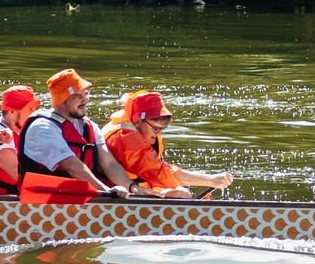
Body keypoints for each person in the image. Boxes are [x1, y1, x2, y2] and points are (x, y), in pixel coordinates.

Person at [16, 68, 134, 198]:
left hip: (79, 202)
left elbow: (109, 164)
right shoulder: (42, 128)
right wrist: (106, 191)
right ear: (61, 99)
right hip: (43, 204)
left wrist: (133, 188)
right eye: (77, 96)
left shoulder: (89, 126)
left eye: (86, 94)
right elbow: (71, 165)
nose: (85, 101)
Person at [103, 91, 231, 198]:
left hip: (136, 191)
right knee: (182, 194)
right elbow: (160, 172)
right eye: (155, 129)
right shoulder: (125, 138)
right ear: (137, 121)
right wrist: (211, 180)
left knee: (182, 193)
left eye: (162, 129)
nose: (159, 134)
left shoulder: (142, 132)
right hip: (115, 195)